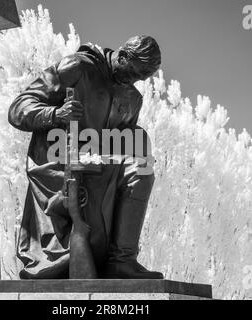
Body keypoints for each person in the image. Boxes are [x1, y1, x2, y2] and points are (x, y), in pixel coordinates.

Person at [8, 35, 164, 279]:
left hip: (100, 162)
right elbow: (19, 107)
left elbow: (124, 145)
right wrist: (56, 114)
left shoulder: (133, 98)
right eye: (132, 73)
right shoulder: (78, 67)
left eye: (140, 78)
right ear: (122, 57)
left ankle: (122, 259)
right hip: (59, 161)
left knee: (141, 168)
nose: (134, 82)